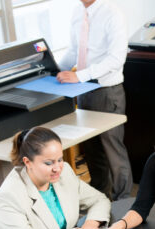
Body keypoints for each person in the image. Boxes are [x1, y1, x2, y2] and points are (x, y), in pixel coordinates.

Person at [56, 0, 133, 201]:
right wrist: (53, 70)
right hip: (83, 91)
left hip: (107, 91)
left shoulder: (112, 13)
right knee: (91, 151)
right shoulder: (78, 11)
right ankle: (101, 199)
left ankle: (123, 202)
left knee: (112, 151)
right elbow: (75, 51)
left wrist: (80, 76)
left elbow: (116, 59)